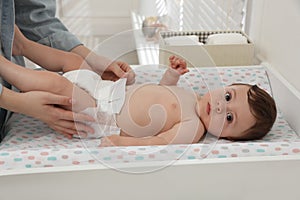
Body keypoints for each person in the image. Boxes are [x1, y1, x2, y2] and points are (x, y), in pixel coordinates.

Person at [1, 25, 277, 146]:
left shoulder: (193, 128)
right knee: (73, 61)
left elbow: (157, 141)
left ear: (228, 138)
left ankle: (6, 67)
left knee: (58, 85)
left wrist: (121, 142)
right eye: (228, 96)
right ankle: (22, 45)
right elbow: (161, 92)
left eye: (229, 117)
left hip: (101, 116)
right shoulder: (193, 96)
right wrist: (172, 75)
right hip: (105, 91)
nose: (220, 105)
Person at [0, 0, 135, 141]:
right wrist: (13, 100)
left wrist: (92, 59)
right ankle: (19, 49)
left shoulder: (161, 131)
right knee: (72, 65)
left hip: (102, 116)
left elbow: (32, 13)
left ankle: (12, 55)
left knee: (60, 81)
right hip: (106, 97)